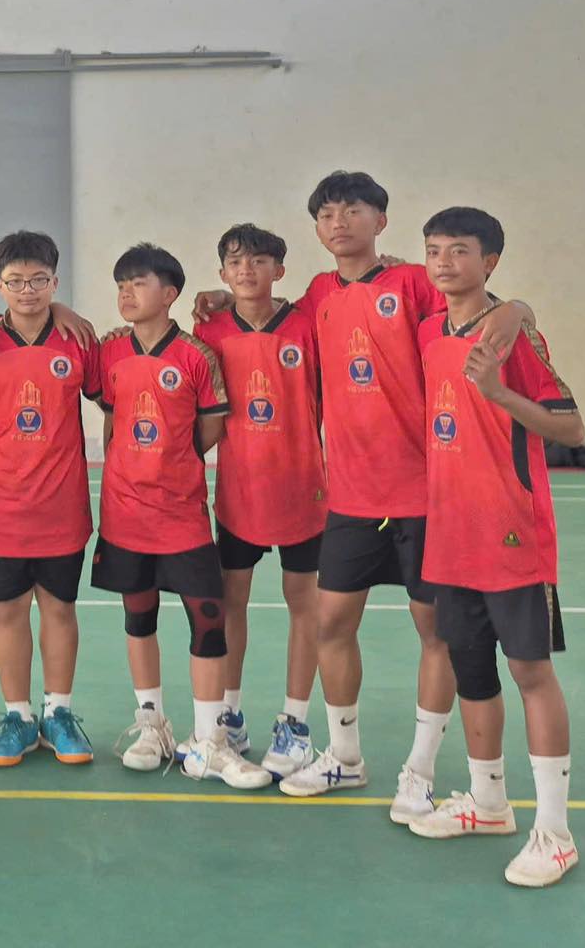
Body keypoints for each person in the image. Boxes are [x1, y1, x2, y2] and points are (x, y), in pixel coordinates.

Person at [260, 172, 525, 821]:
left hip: (425, 495)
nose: (339, 222)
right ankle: (345, 756)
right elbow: (265, 321)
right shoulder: (318, 294)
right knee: (330, 624)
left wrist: (519, 308)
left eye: (353, 210)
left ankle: (420, 770)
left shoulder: (412, 283)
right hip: (351, 496)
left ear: (380, 221)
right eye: (327, 213)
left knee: (435, 632)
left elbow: (482, 309)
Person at [411, 207, 585, 888]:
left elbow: (571, 428)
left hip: (513, 534)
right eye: (434, 250)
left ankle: (556, 834)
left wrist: (497, 391)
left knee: (530, 671)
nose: (444, 261)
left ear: (489, 262)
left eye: (459, 250)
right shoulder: (429, 331)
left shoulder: (515, 338)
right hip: (450, 533)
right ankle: (488, 805)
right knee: (471, 670)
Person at [97, 244, 270, 788]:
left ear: (170, 294)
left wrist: (175, 460)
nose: (127, 293)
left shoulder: (196, 355)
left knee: (208, 618)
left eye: (138, 283)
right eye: (121, 285)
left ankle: (210, 742)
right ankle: (152, 727)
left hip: (181, 514)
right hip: (124, 512)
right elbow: (111, 418)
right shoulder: (109, 351)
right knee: (138, 616)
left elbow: (210, 426)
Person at [0, 230, 100, 767]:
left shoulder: (77, 340)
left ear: (55, 282)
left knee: (60, 609)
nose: (27, 290)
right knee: (9, 611)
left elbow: (112, 402)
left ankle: (58, 713)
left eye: (39, 280)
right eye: (15, 281)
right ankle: (18, 716)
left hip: (61, 506)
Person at [193, 223, 327, 779]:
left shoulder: (307, 324)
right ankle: (229, 713)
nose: (247, 271)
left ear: (280, 269)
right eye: (236, 263)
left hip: (304, 490)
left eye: (259, 261)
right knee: (232, 602)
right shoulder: (209, 333)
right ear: (222, 273)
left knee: (305, 603)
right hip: (240, 493)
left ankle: (295, 721)